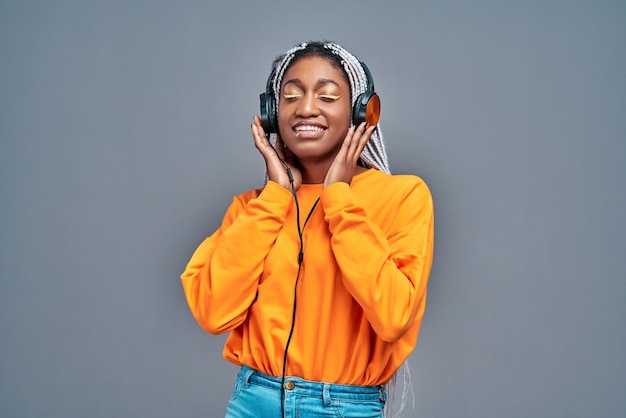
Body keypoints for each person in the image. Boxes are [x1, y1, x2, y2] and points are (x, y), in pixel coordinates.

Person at [181, 41, 434, 418]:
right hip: (254, 401)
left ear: (363, 111)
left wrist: (338, 198)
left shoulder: (402, 197)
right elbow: (213, 313)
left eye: (328, 95)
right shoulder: (253, 208)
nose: (306, 108)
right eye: (291, 95)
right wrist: (274, 199)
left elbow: (393, 315)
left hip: (343, 407)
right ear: (272, 113)